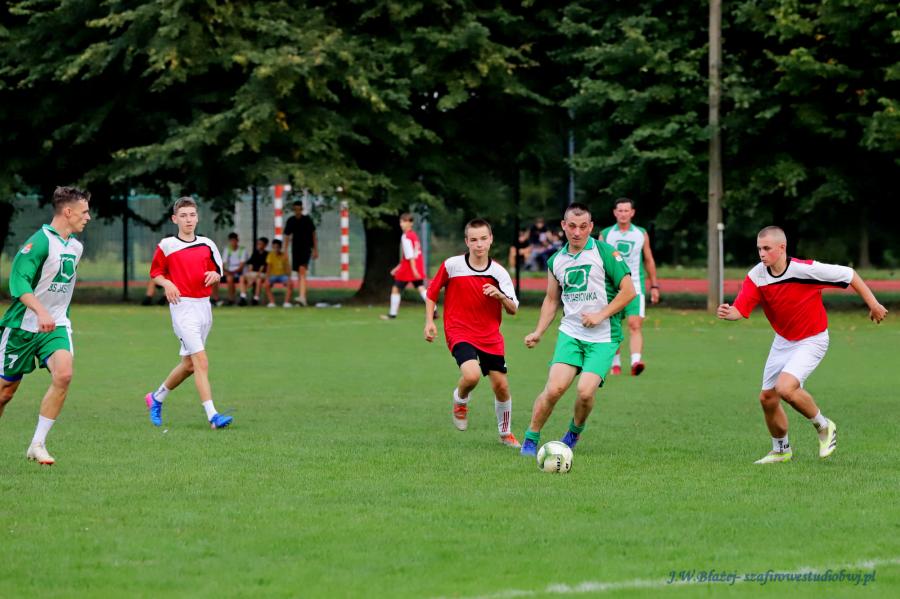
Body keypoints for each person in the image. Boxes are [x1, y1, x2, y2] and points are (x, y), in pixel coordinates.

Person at [717, 226, 887, 464]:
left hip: (812, 339)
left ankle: (824, 426)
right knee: (767, 398)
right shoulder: (756, 275)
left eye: (767, 248)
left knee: (785, 388)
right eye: (759, 249)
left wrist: (874, 305)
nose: (762, 254)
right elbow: (740, 309)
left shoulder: (805, 270)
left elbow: (849, 274)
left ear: (782, 248)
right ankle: (781, 450)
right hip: (783, 341)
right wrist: (729, 312)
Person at [520, 203, 635, 457]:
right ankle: (530, 438)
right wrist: (538, 332)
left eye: (583, 227)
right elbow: (552, 300)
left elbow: (629, 292)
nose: (577, 232)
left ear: (591, 227)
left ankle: (574, 431)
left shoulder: (606, 253)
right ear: (563, 225)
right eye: (572, 226)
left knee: (584, 392)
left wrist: (600, 315)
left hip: (604, 337)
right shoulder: (556, 260)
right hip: (571, 334)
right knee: (554, 389)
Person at [0, 186, 91, 465]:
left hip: (56, 325)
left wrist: (50, 314)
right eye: (84, 212)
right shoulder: (39, 242)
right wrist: (40, 312)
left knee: (64, 374)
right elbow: (19, 283)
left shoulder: (76, 247)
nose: (88, 217)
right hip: (22, 327)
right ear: (68, 212)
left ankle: (37, 444)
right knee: (5, 392)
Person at [424, 218, 520, 448]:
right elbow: (432, 292)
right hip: (459, 330)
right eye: (474, 239)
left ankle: (505, 433)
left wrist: (500, 295)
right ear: (467, 241)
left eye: (483, 239)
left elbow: (513, 309)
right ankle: (460, 399)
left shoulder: (499, 272)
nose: (479, 244)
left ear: (491, 240)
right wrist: (429, 322)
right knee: (472, 375)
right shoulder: (452, 265)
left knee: (501, 386)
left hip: (489, 335)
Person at [143, 197, 233, 430]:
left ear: (197, 218)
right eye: (183, 216)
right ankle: (213, 416)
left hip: (204, 308)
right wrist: (167, 284)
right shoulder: (167, 245)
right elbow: (156, 273)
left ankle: (156, 397)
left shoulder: (207, 244)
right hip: (182, 308)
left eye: (192, 215)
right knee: (201, 361)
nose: (188, 220)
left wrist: (214, 276)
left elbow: (217, 271)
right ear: (175, 219)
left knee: (190, 365)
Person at [598, 198, 660, 375]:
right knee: (614, 326)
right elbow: (598, 261)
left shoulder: (641, 233)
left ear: (632, 213)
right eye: (620, 210)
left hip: (635, 287)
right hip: (611, 288)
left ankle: (635, 362)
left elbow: (648, 259)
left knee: (635, 324)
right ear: (615, 212)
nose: (623, 214)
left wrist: (654, 285)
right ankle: (615, 364)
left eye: (626, 210)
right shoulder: (606, 234)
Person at [382, 213, 430, 320]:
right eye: (401, 221)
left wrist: (414, 270)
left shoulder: (406, 236)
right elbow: (408, 255)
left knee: (396, 288)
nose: (401, 224)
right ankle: (434, 310)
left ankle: (392, 314)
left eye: (404, 221)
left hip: (408, 268)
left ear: (411, 223)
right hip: (415, 265)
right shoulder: (414, 235)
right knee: (421, 287)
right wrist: (397, 268)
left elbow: (409, 256)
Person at [283, 201, 317, 306]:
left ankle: (302, 296)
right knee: (299, 272)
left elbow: (313, 235)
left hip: (306, 248)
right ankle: (303, 297)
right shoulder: (291, 221)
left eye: (299, 209)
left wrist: (315, 249)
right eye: (295, 209)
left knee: (302, 270)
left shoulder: (307, 220)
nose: (297, 211)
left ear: (302, 209)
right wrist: (285, 250)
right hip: (296, 249)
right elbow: (287, 236)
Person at [221, 232, 250, 306]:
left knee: (241, 278)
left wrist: (231, 272)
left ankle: (243, 297)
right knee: (229, 279)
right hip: (231, 271)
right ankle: (231, 299)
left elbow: (241, 266)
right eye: (231, 240)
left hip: (241, 272)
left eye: (234, 240)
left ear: (237, 240)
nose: (233, 242)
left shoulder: (243, 250)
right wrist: (226, 271)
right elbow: (223, 263)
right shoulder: (227, 249)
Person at [264, 239, 293, 308]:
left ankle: (286, 302)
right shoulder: (270, 255)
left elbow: (287, 267)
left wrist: (289, 277)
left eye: (277, 247)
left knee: (290, 284)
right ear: (272, 247)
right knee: (266, 285)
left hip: (283, 276)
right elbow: (268, 267)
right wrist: (267, 278)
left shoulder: (284, 255)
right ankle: (272, 302)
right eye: (274, 247)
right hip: (273, 276)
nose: (276, 249)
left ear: (280, 247)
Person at [242, 237, 269, 305]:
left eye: (261, 244)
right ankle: (243, 297)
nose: (259, 245)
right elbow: (250, 264)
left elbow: (263, 266)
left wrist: (253, 278)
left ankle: (256, 299)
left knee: (258, 280)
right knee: (242, 278)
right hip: (253, 273)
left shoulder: (267, 254)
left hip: (261, 274)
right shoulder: (255, 253)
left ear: (265, 245)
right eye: (258, 244)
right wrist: (249, 275)